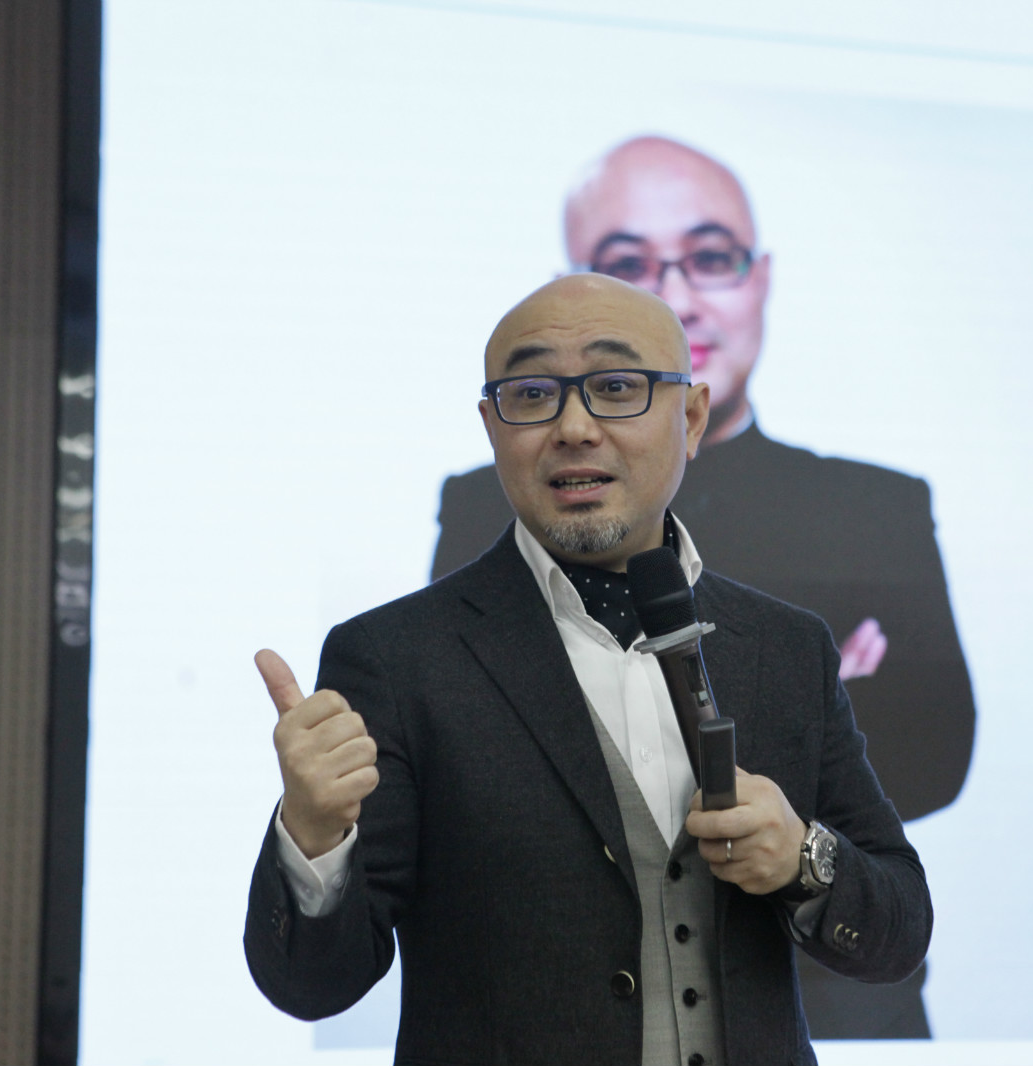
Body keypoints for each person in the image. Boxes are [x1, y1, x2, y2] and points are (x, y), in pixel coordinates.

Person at [244, 274, 931, 1065]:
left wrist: (803, 858)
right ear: (492, 427)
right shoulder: (396, 657)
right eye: (532, 394)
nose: (573, 428)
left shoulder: (786, 646)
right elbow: (312, 986)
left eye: (616, 387)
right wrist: (314, 834)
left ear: (692, 418)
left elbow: (898, 930)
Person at [430, 137, 975, 1038]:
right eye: (628, 265)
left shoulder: (868, 521)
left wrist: (798, 849)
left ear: (761, 281)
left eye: (711, 258)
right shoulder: (454, 549)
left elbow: (938, 754)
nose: (678, 296)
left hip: (830, 1012)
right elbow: (479, 781)